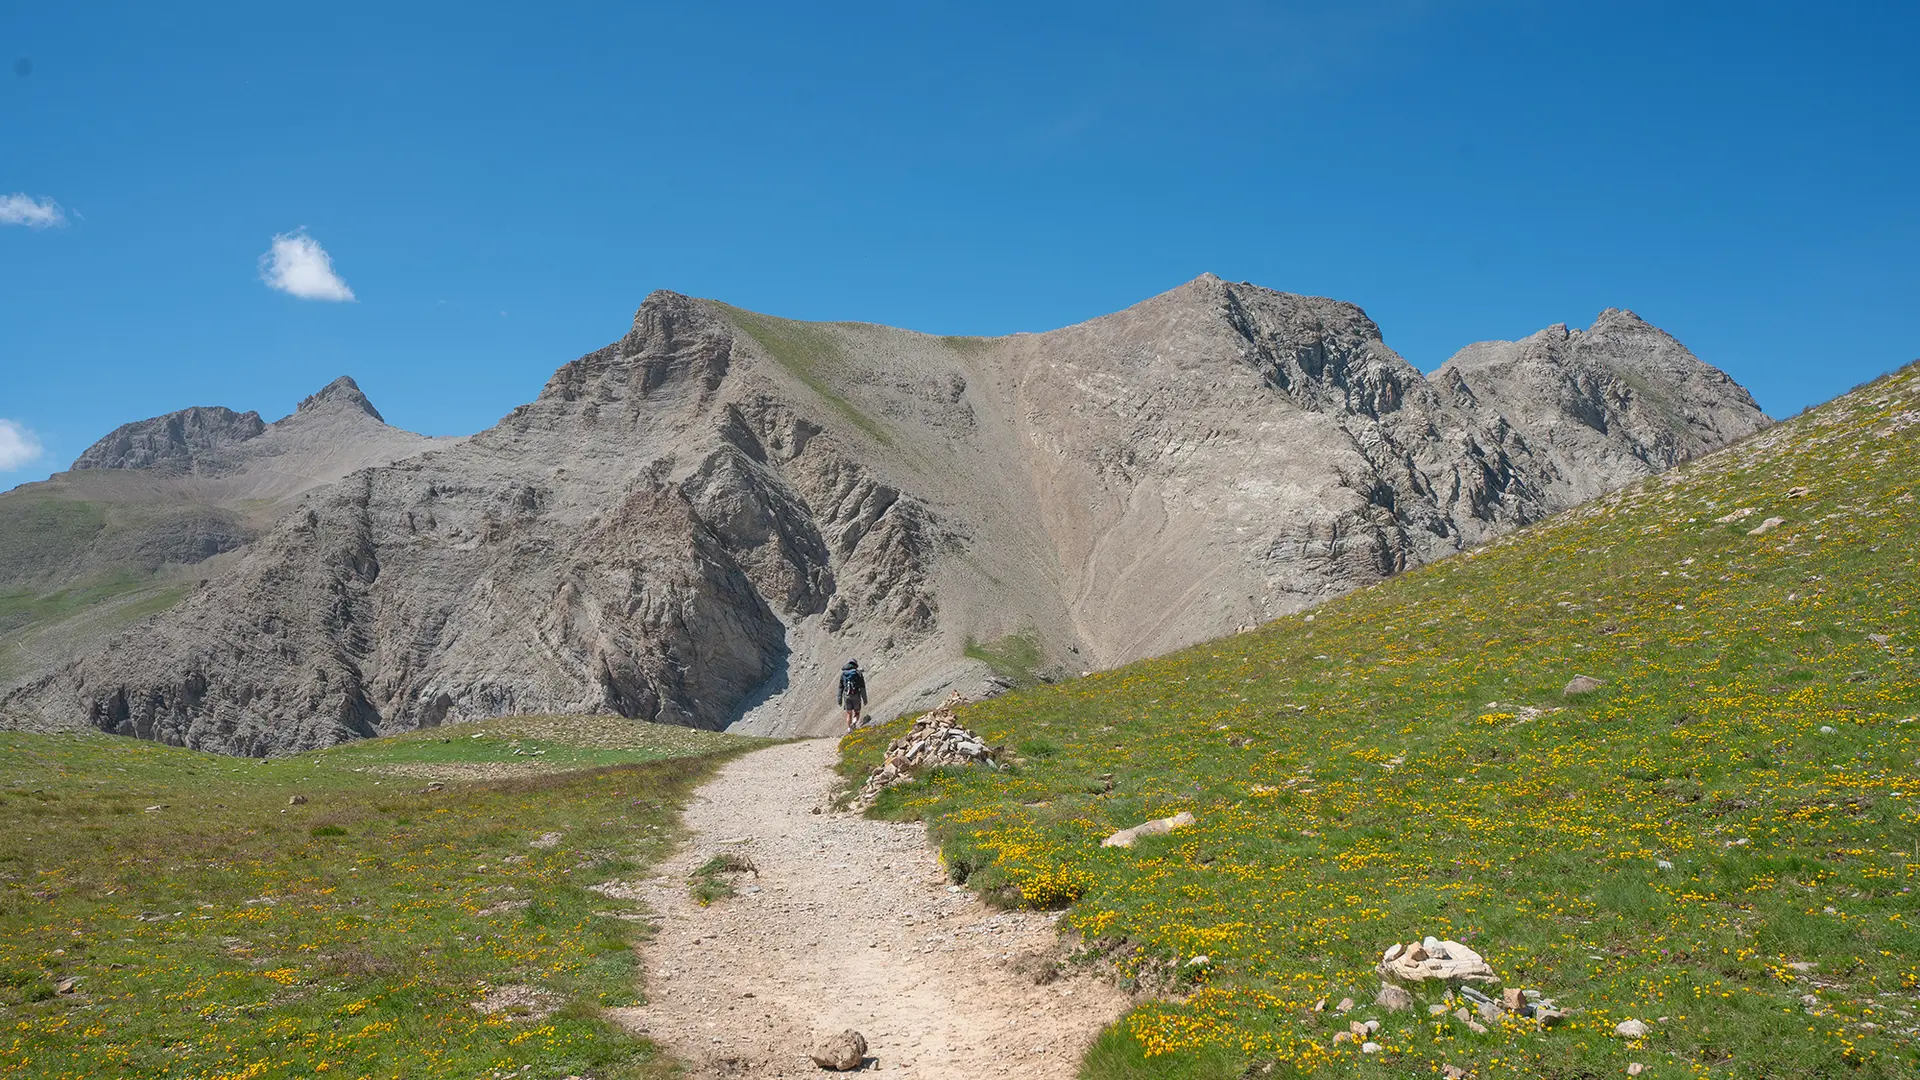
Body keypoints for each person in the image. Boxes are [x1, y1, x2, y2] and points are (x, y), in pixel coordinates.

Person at [837, 660, 867, 731]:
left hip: (846, 696)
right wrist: (865, 699)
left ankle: (849, 729)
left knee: (849, 713)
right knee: (857, 712)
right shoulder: (858, 673)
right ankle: (854, 723)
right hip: (856, 695)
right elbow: (862, 687)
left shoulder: (843, 674)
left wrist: (839, 700)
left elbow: (840, 688)